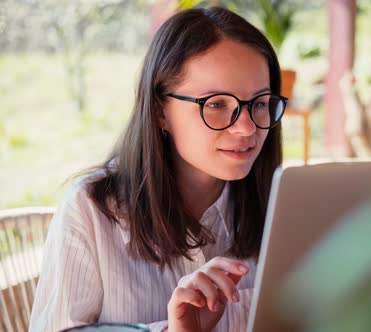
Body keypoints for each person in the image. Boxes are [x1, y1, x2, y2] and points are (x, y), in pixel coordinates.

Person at [29, 6, 286, 332]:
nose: (247, 128)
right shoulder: (91, 211)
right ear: (160, 110)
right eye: (217, 104)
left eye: (260, 103)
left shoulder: (284, 208)